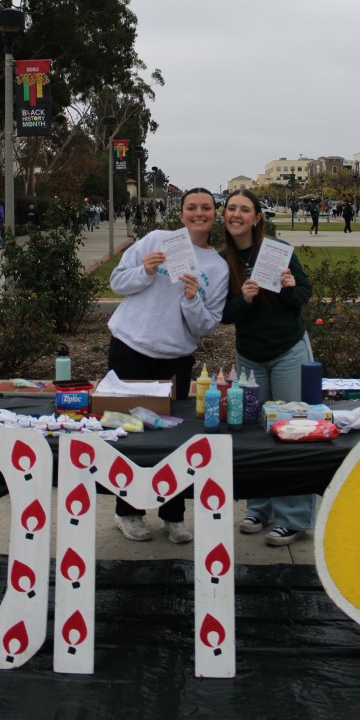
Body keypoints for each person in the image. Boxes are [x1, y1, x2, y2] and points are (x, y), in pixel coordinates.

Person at [107, 187, 229, 544]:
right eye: (192, 207)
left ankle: (173, 516)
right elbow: (117, 282)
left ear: (214, 214)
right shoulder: (157, 240)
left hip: (175, 358)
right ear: (181, 213)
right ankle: (127, 511)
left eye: (206, 207)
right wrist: (145, 271)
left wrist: (192, 299)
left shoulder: (217, 267)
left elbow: (207, 325)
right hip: (130, 347)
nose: (198, 213)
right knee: (129, 432)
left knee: (174, 439)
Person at [221, 189, 316, 547]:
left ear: (257, 218)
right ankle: (258, 508)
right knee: (256, 434)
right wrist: (244, 300)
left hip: (288, 350)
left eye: (244, 209)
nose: (237, 214)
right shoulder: (224, 261)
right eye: (231, 208)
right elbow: (223, 315)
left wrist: (289, 287)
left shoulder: (278, 251)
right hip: (250, 357)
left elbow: (303, 294)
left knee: (294, 429)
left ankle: (293, 518)